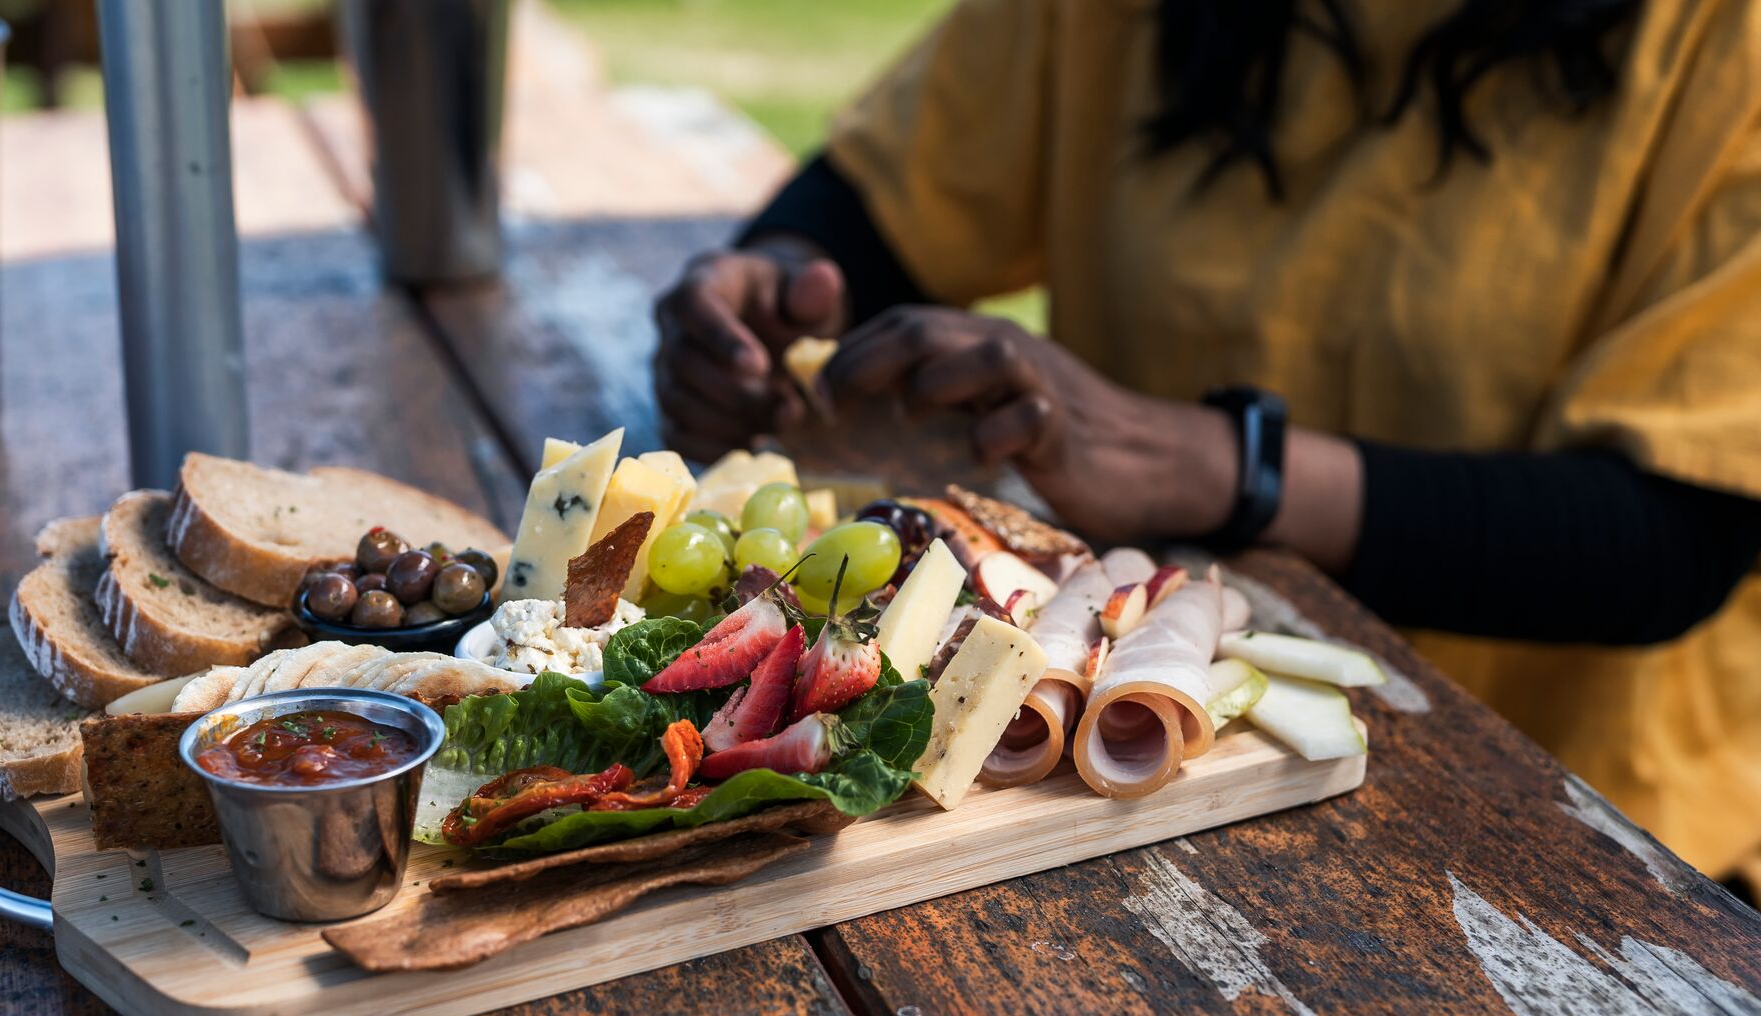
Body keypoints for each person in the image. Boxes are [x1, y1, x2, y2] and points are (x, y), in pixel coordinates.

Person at [650, 0, 1761, 881]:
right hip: (1110, 792)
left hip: (1569, 833)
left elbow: (1672, 536)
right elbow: (877, 203)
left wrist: (1202, 462)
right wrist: (769, 295)